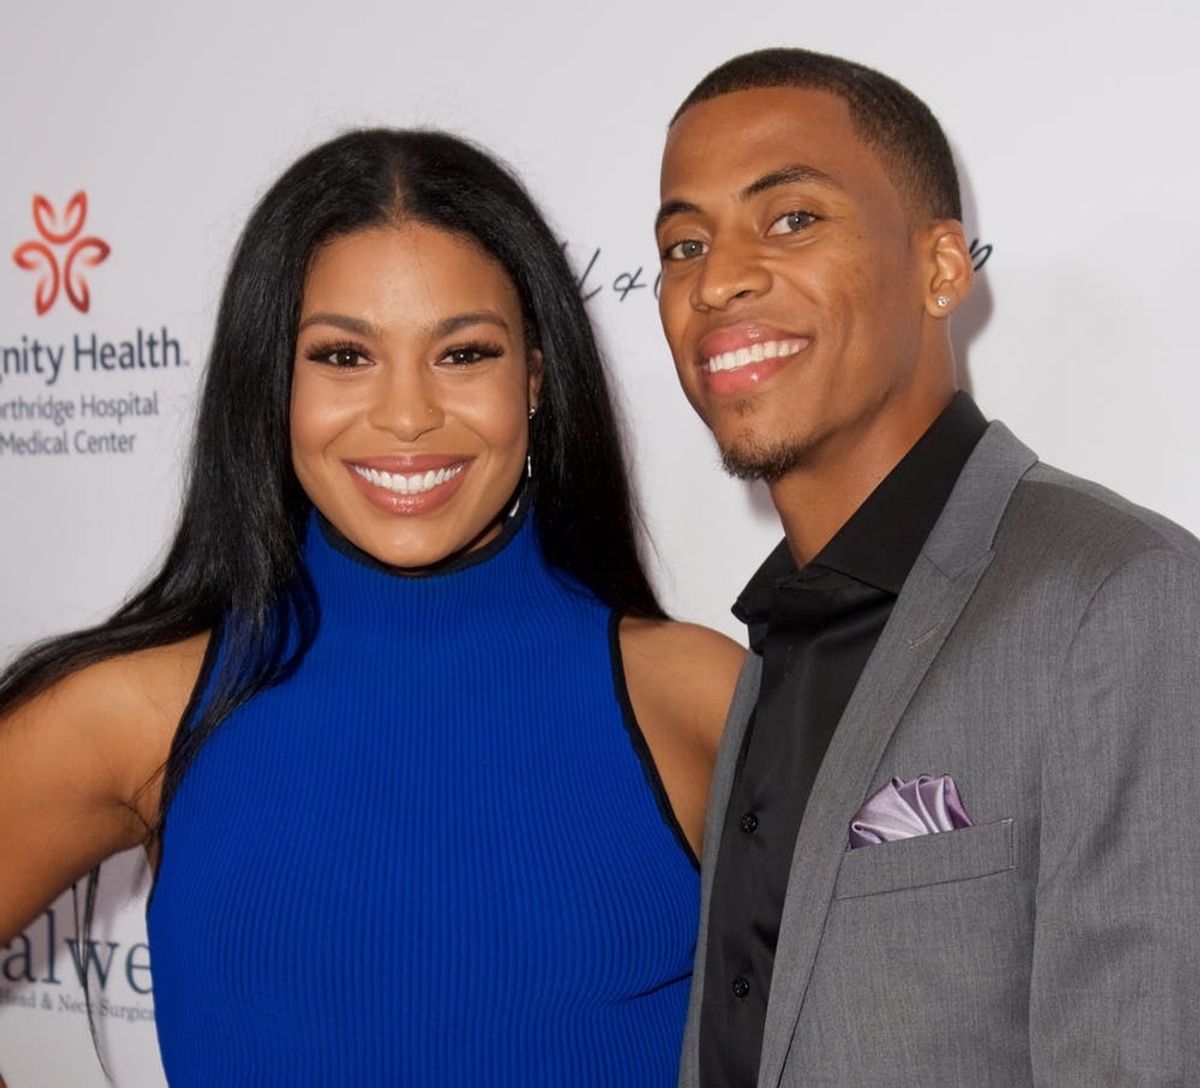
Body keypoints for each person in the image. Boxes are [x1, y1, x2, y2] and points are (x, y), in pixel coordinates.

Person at [0, 128, 744, 1086]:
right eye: (344, 355)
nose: (405, 415)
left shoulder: (696, 697)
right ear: (275, 383)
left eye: (463, 353)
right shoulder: (142, 710)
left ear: (534, 379)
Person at [654, 47, 1200, 1087]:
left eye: (792, 218)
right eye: (684, 244)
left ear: (943, 269)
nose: (717, 280)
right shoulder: (773, 638)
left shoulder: (1121, 593)